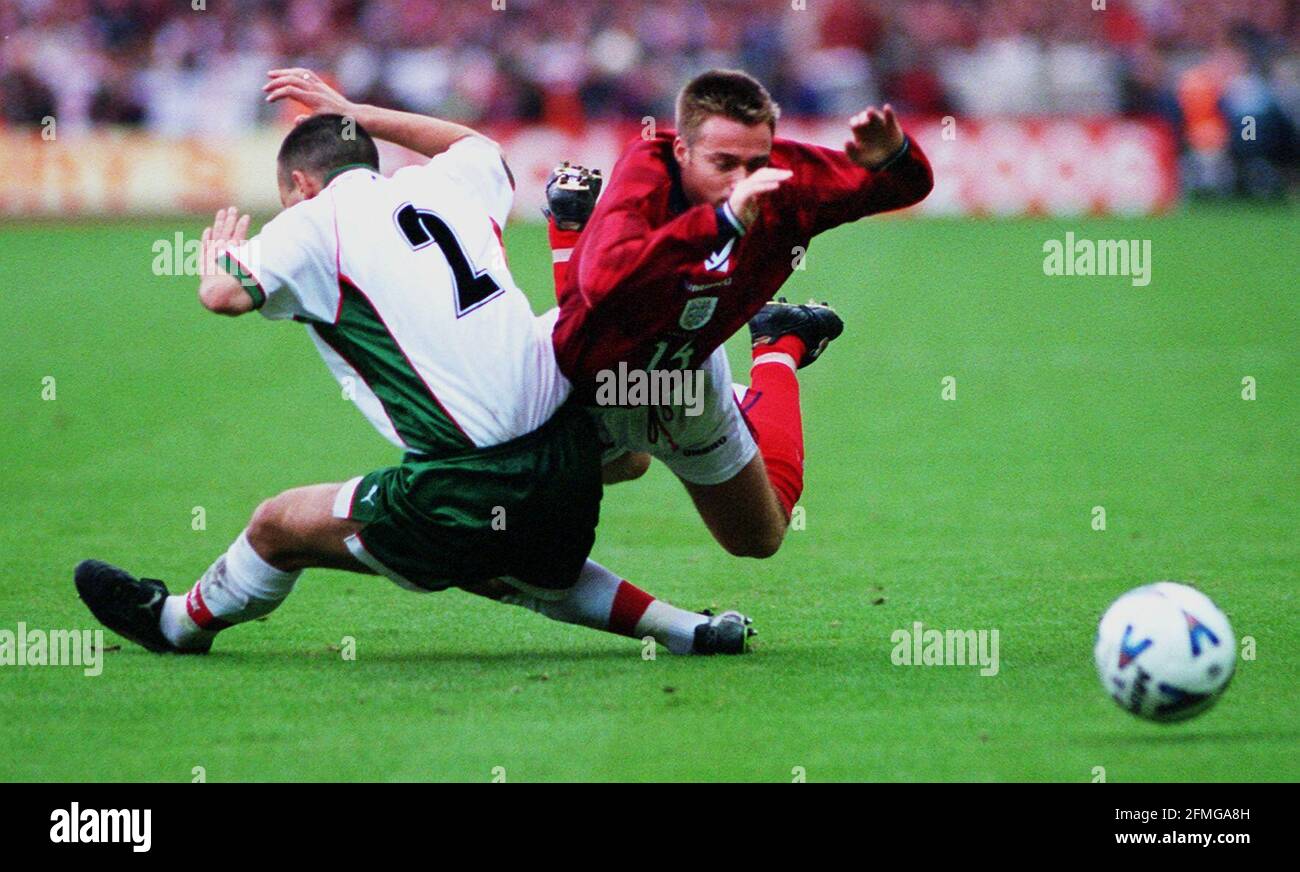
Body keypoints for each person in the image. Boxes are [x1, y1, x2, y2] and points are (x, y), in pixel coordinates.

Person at [74, 70, 751, 657]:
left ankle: (177, 625)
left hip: (468, 479)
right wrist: (355, 110)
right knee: (501, 557)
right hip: (566, 457)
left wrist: (216, 260)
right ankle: (686, 628)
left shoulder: (311, 221)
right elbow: (474, 144)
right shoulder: (446, 185)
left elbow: (223, 296)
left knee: (277, 526)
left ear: (301, 184)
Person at [546, 69, 934, 558]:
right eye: (722, 163)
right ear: (682, 151)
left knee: (758, 538)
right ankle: (570, 224)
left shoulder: (785, 181)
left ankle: (778, 344)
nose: (741, 181)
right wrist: (721, 222)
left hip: (683, 376)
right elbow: (604, 283)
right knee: (597, 470)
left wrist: (897, 156)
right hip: (592, 379)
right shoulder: (646, 171)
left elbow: (903, 188)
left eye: (756, 162)